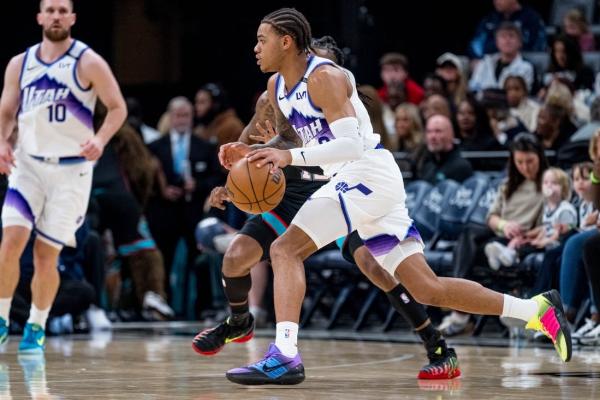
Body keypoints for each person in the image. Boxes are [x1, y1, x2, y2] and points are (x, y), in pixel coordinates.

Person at [221, 8, 571, 386]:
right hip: (360, 183)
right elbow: (300, 139)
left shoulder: (324, 77)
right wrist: (251, 152)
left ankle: (285, 355)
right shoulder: (277, 87)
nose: (256, 48)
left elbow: (351, 145)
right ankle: (536, 309)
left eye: (262, 40)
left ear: (287, 42)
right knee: (427, 288)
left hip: (365, 173)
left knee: (285, 249)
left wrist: (287, 158)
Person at [192, 35, 461, 380]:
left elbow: (348, 147)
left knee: (374, 265)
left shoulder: (339, 97)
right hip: (291, 192)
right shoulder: (274, 96)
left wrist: (280, 143)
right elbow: (244, 151)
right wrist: (231, 186)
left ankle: (435, 343)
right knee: (235, 256)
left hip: (337, 187)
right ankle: (240, 321)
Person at [0, 0, 126, 353]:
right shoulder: (20, 63)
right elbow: (7, 110)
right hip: (28, 165)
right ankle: (2, 317)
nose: (56, 15)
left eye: (62, 10)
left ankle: (36, 325)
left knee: (45, 255)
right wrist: (2, 141)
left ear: (72, 18)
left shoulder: (88, 61)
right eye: (50, 10)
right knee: (10, 242)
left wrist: (100, 139)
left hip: (71, 170)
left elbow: (118, 107)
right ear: (39, 16)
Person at [469, 22, 534, 93]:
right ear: (497, 42)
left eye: (511, 36)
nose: (507, 40)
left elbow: (523, 94)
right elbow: (473, 87)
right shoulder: (485, 62)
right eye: (503, 36)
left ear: (520, 42)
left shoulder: (526, 67)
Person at [468, 0, 546, 59]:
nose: (495, 1)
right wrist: (477, 58)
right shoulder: (490, 18)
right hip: (489, 62)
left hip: (521, 62)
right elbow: (475, 44)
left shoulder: (532, 18)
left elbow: (539, 48)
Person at [413, 115, 473, 184]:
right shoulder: (425, 164)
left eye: (438, 131)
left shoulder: (461, 167)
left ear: (451, 134)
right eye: (429, 131)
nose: (432, 136)